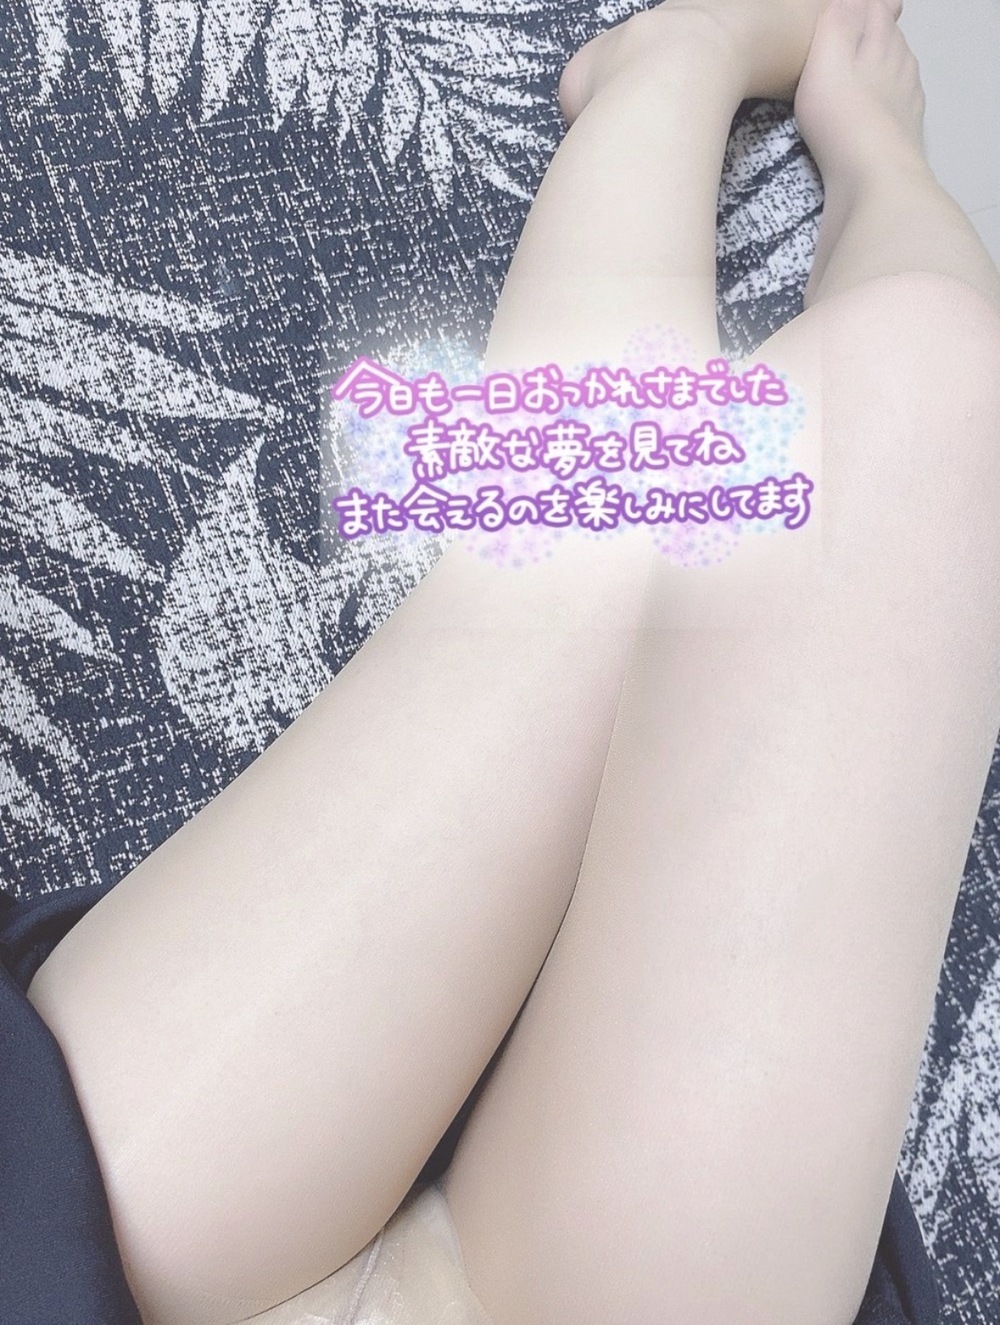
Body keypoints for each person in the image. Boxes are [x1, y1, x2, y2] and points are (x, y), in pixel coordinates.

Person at [22, 0, 1000, 1320]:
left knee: (570, 552)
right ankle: (862, 153)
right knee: (930, 395)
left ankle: (675, 65)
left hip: (86, 1244)